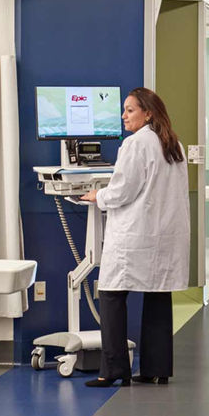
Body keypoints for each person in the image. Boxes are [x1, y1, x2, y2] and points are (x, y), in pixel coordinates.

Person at [79, 88, 190, 387]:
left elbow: (122, 190)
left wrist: (97, 195)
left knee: (112, 295)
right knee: (157, 296)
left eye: (130, 110)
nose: (123, 115)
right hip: (164, 235)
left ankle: (114, 370)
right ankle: (157, 369)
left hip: (135, 236)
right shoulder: (173, 143)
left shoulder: (135, 144)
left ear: (148, 113)